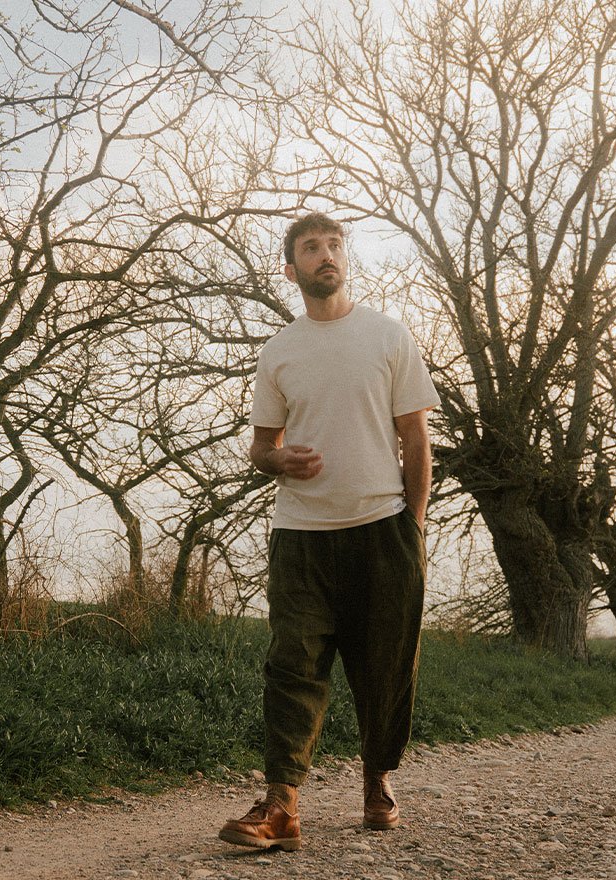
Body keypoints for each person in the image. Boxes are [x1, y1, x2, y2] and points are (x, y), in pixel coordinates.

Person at [218, 213, 440, 852]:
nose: (325, 256)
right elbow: (262, 448)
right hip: (302, 534)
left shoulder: (388, 337)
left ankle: (378, 781)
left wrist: (414, 528)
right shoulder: (279, 351)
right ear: (292, 269)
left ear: (346, 259)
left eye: (334, 245)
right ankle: (281, 807)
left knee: (385, 665)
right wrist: (277, 460)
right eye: (310, 248)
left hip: (384, 529)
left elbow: (416, 438)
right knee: (294, 664)